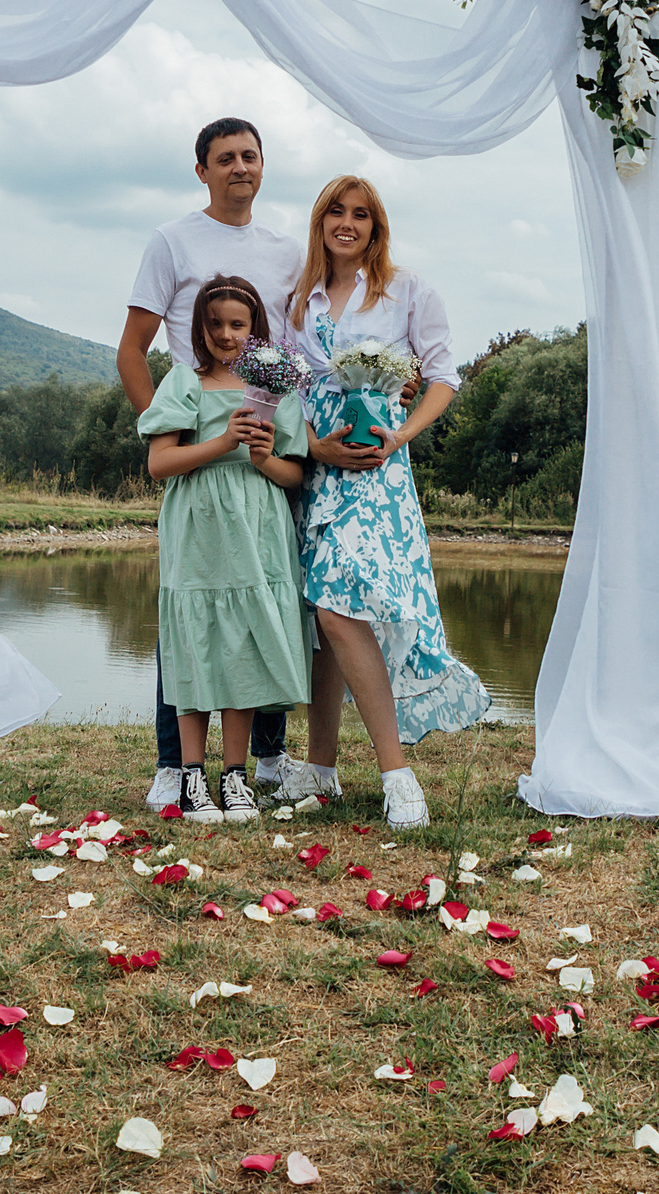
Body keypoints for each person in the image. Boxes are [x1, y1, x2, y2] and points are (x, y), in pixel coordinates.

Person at [276, 175, 491, 828]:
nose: (347, 223)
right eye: (336, 212)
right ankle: (319, 769)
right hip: (320, 466)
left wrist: (399, 433)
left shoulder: (407, 291)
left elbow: (444, 377)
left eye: (360, 214)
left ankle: (398, 777)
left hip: (376, 472)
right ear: (320, 221)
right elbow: (282, 381)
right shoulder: (299, 300)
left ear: (376, 225)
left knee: (343, 609)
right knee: (326, 615)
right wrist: (313, 446)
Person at [119, 117, 303, 810]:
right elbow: (131, 348)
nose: (239, 167)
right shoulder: (173, 240)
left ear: (263, 164)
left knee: (260, 598)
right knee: (193, 611)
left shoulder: (285, 251)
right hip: (200, 449)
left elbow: (294, 351)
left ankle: (262, 758)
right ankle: (177, 764)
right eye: (224, 157)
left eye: (250, 155)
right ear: (202, 169)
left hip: (259, 431)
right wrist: (177, 423)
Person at [136, 276, 311, 823]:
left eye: (238, 324)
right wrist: (221, 442)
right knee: (196, 644)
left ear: (256, 329)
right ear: (200, 329)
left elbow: (294, 474)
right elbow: (159, 464)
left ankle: (234, 776)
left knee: (242, 648)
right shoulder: (185, 381)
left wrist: (262, 457)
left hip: (258, 531)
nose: (227, 335)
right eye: (216, 325)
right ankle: (192, 776)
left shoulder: (276, 389)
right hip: (199, 531)